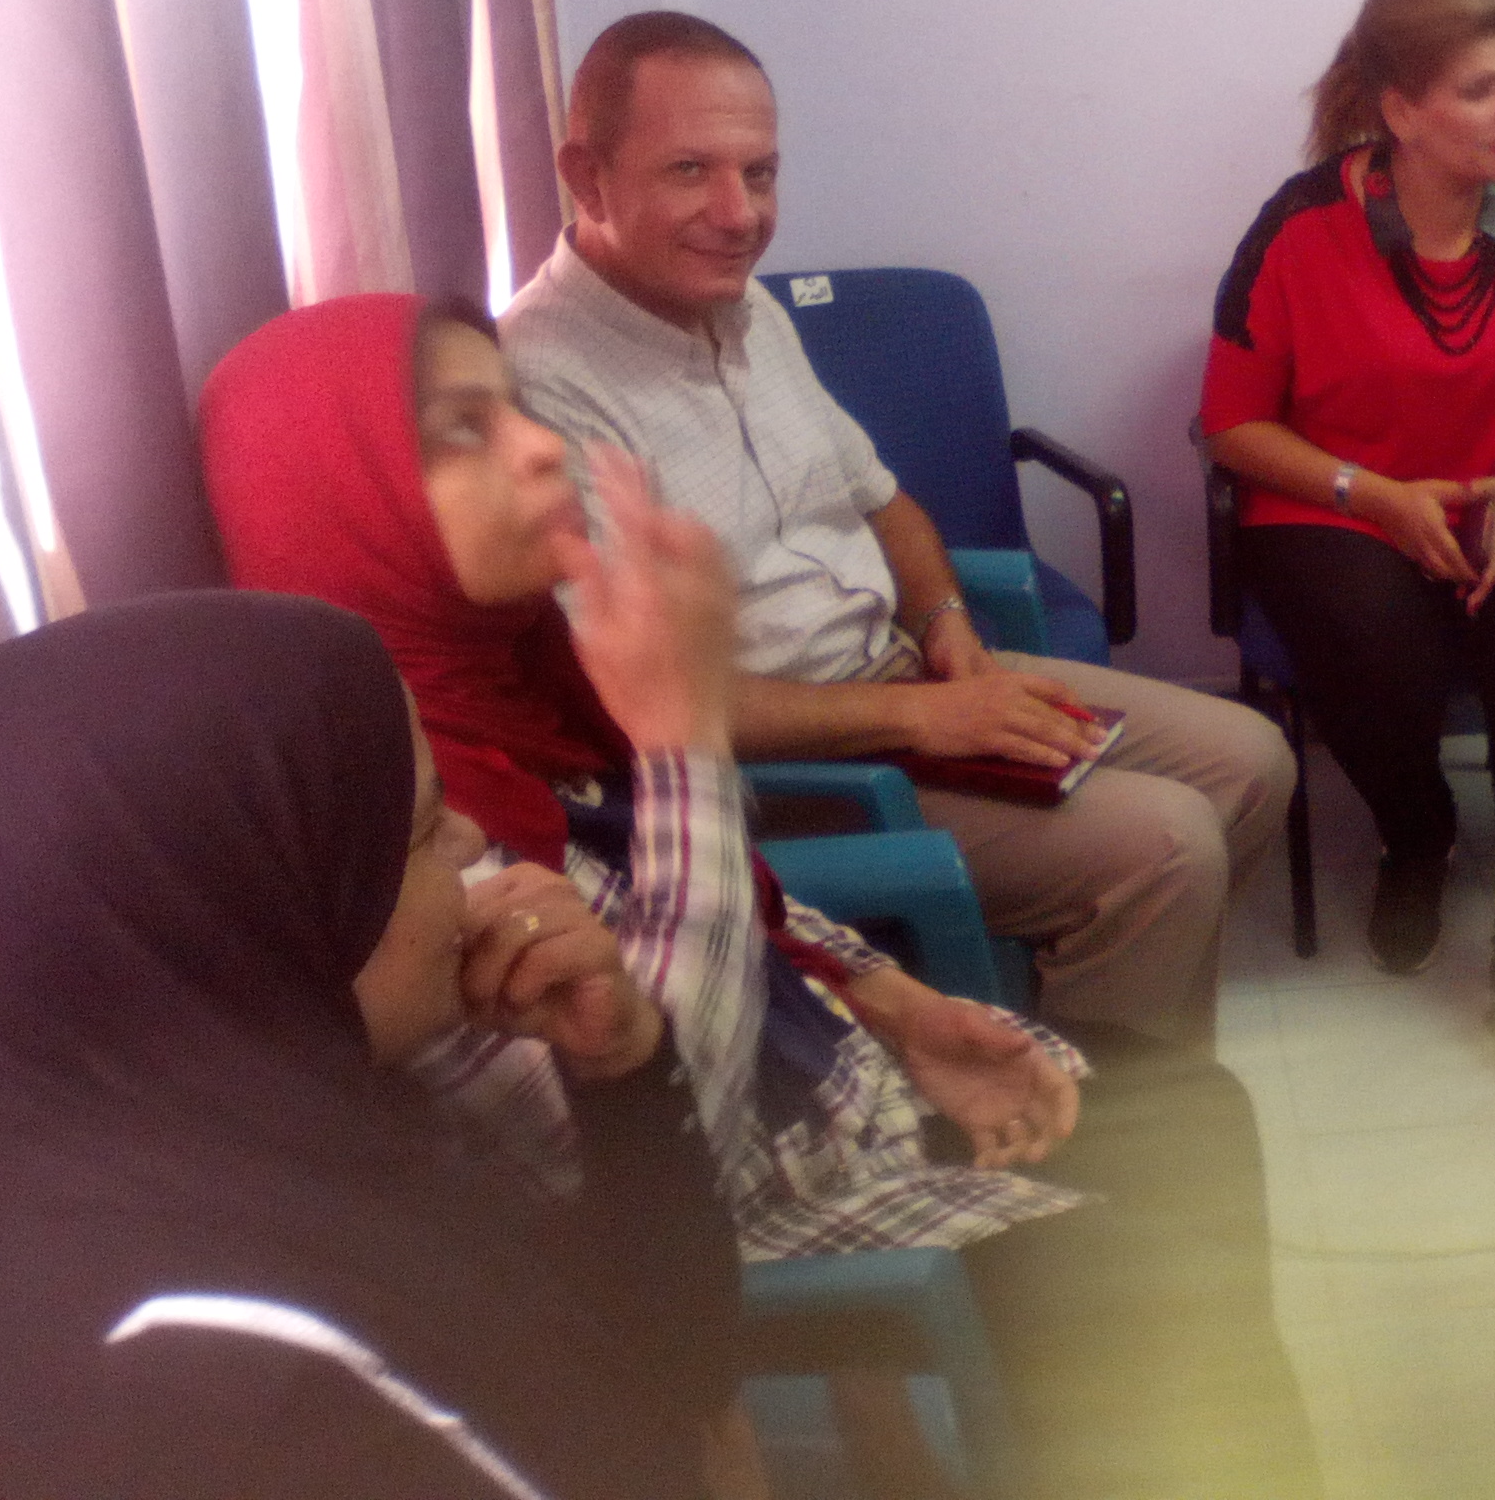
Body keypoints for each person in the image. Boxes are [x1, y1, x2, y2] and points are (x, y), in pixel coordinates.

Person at [201, 293, 1323, 1500]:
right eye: (459, 432)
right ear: (336, 505)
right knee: (1131, 1277)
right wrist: (682, 739)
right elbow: (657, 1121)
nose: (536, 448)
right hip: (725, 1202)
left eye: (516, 410)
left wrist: (896, 1007)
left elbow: (716, 888)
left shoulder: (514, 682)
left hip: (807, 1088)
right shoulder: (402, 834)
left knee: (1193, 1110)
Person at [500, 9, 1295, 1051]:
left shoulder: (746, 309)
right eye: (690, 170)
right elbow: (644, 703)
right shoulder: (539, 383)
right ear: (586, 176)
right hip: (776, 773)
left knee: (1251, 759)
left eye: (761, 173)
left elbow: (882, 501)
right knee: (1168, 846)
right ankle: (1092, 1112)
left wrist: (945, 621)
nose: (739, 214)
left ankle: (1095, 1022)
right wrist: (922, 720)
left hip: (902, 678)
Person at [0, 591, 739, 1500]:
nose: (471, 839)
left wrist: (620, 1067)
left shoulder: (297, 1126)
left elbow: (676, 1363)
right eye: (421, 830)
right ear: (257, 912)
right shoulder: (221, 1396)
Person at [1199, 0, 1495, 1120]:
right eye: (1479, 88)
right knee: (1365, 626)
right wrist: (1376, 495)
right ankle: (1418, 830)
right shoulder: (1300, 225)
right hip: (1344, 496)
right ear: (1397, 109)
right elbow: (1230, 424)